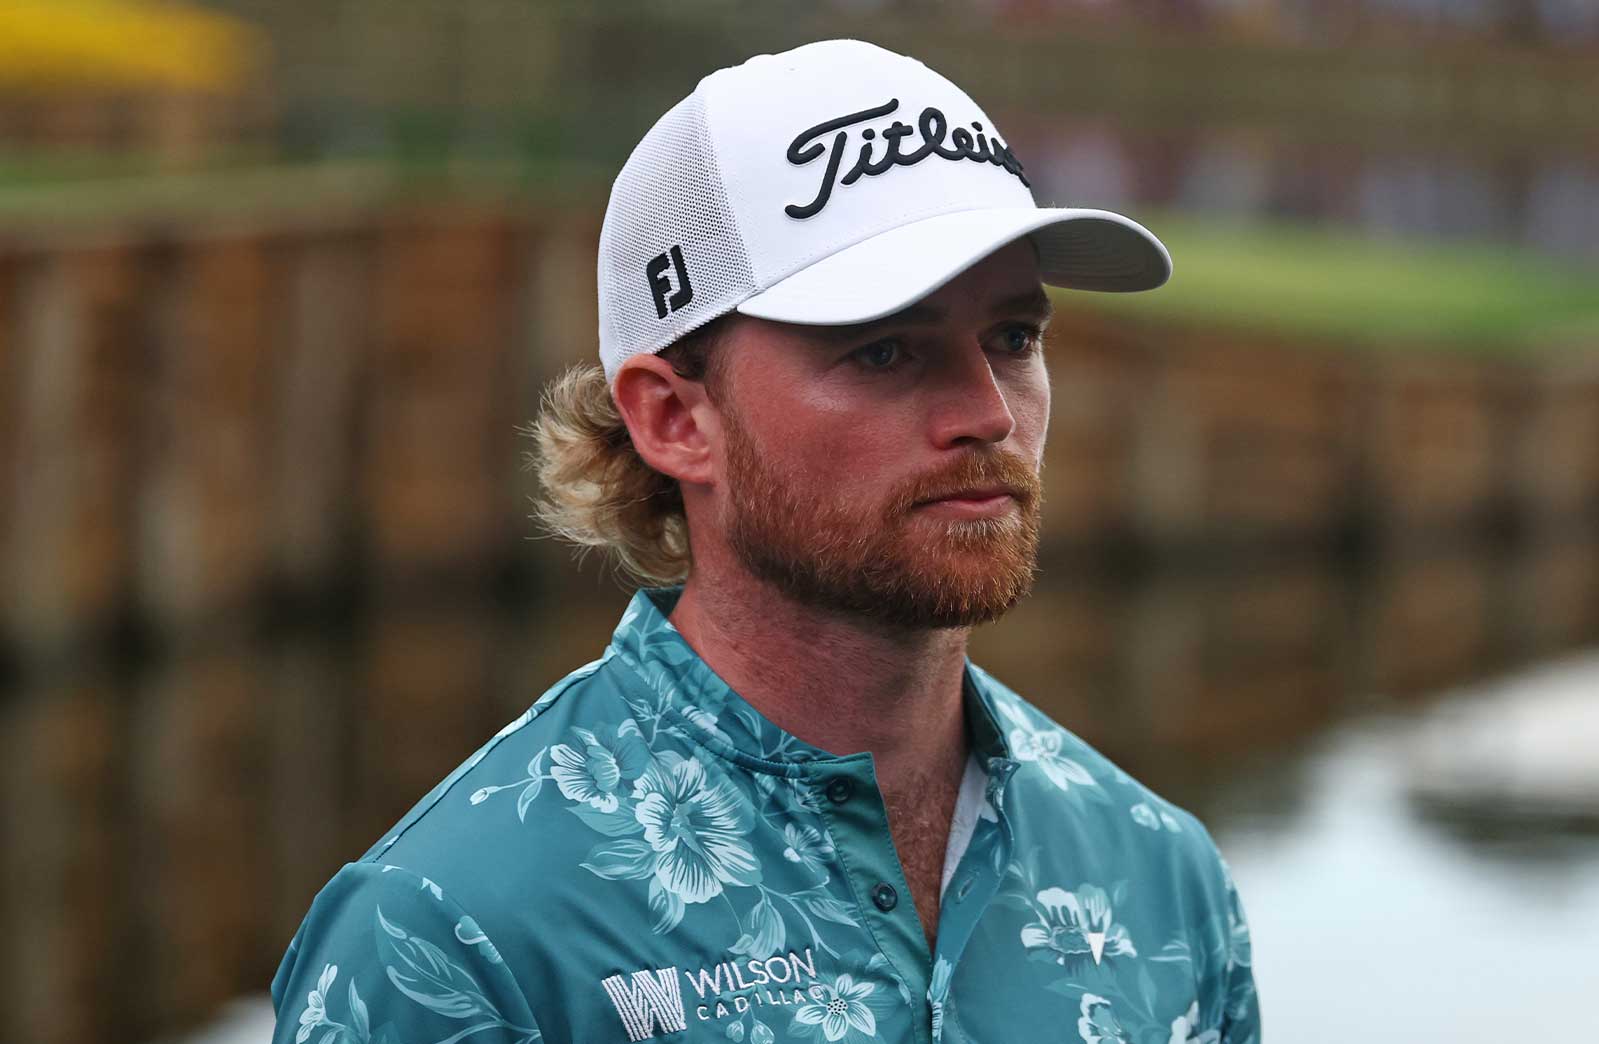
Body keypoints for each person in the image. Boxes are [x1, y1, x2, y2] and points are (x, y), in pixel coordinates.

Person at [270, 38, 1259, 1044]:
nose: (987, 413)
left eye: (1012, 339)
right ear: (673, 420)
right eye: (883, 349)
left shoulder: (1162, 880)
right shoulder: (453, 941)